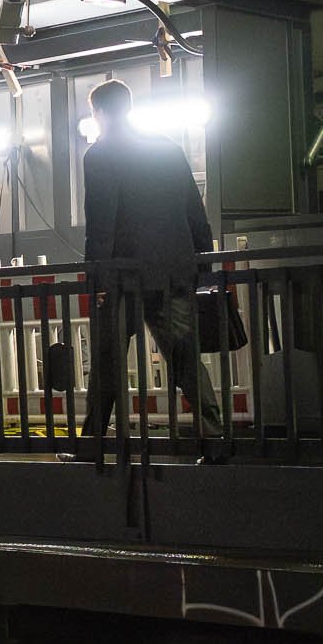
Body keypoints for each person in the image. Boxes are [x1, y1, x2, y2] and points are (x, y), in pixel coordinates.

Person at [74, 79, 224, 465]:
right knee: (185, 357)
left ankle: (93, 444)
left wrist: (98, 280)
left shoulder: (100, 155)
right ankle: (214, 436)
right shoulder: (166, 148)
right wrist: (201, 264)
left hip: (123, 277)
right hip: (174, 272)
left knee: (107, 361)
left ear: (100, 113)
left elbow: (101, 226)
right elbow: (195, 209)